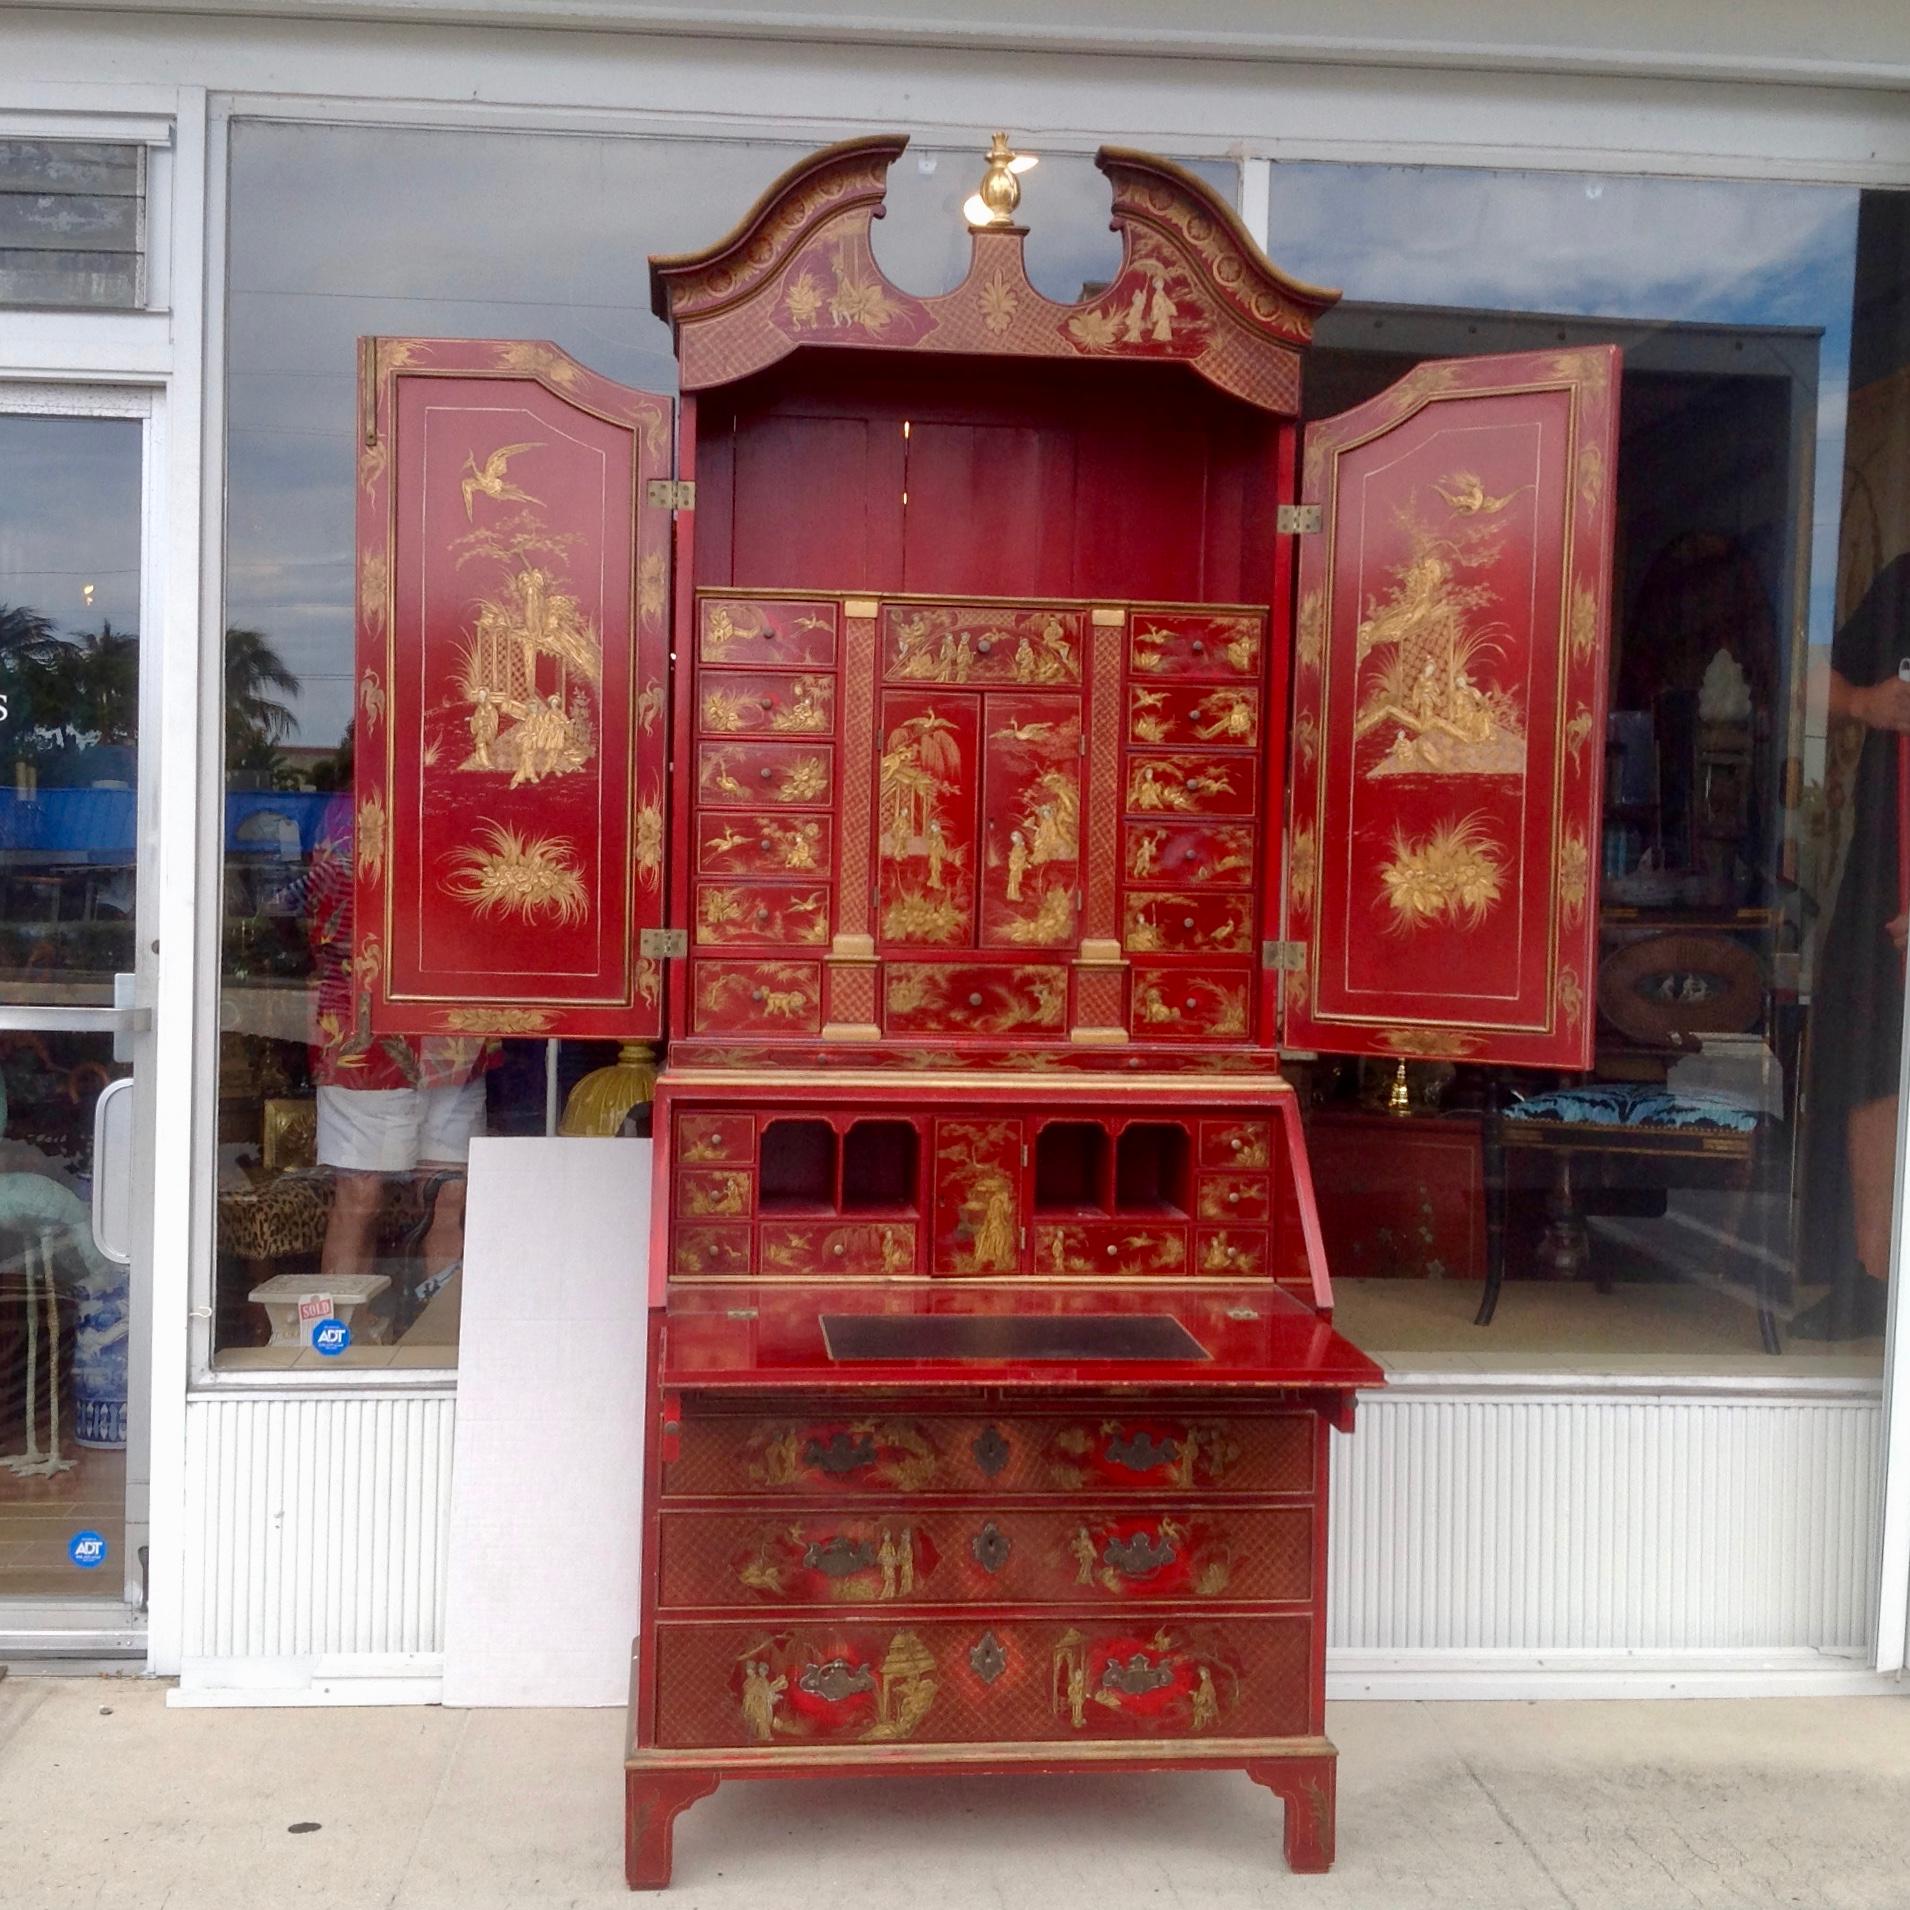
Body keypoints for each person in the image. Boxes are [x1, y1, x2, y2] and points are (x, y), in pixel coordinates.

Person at [303, 790, 496, 1335]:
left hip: (452, 1031)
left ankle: (442, 1340)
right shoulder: (345, 815)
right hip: (365, 1035)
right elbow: (324, 920)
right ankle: (335, 1342)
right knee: (360, 1194)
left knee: (452, 1195)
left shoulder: (462, 807)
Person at [1799, 553, 1910, 1337]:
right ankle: (1872, 1278)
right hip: (1885, 875)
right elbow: (1802, 676)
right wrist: (1863, 701)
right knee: (1868, 1061)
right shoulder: (1905, 584)